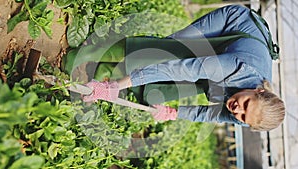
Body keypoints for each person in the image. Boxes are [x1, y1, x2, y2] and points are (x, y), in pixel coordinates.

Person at [82, 5, 285, 132]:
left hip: (231, 68)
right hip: (236, 22)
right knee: (175, 47)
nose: (237, 111)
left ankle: (115, 70)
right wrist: (117, 87)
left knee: (193, 85)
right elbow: (175, 69)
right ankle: (107, 56)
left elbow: (210, 114)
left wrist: (173, 112)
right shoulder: (235, 68)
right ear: (260, 91)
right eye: (246, 104)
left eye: (242, 117)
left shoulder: (248, 117)